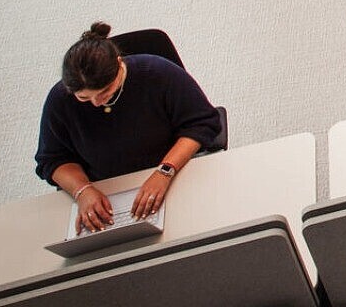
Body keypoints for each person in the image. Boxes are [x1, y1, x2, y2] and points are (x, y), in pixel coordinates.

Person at [35, 22, 222, 234]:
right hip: (107, 191)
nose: (96, 103)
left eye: (105, 92)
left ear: (119, 64)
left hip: (173, 171)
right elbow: (52, 158)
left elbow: (202, 122)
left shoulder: (158, 72)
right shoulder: (60, 100)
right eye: (84, 97)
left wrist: (164, 171)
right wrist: (83, 191)